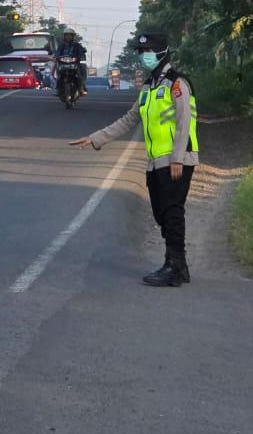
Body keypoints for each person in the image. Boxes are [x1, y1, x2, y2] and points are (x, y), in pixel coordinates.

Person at [69, 32, 199, 287]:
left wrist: (177, 158)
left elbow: (184, 121)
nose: (143, 56)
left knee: (172, 212)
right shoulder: (149, 87)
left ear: (161, 52)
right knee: (161, 213)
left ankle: (173, 266)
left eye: (147, 51)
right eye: (141, 52)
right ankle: (179, 265)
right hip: (155, 160)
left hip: (177, 160)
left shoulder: (177, 83)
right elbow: (129, 119)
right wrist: (96, 138)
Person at [55, 27, 88, 96]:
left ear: (73, 36)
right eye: (67, 35)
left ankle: (82, 88)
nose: (68, 37)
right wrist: (57, 57)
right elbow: (57, 53)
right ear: (64, 36)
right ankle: (58, 89)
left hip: (75, 63)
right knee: (59, 74)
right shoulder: (61, 45)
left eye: (70, 35)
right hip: (63, 64)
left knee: (81, 71)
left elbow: (82, 52)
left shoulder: (77, 45)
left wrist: (80, 56)